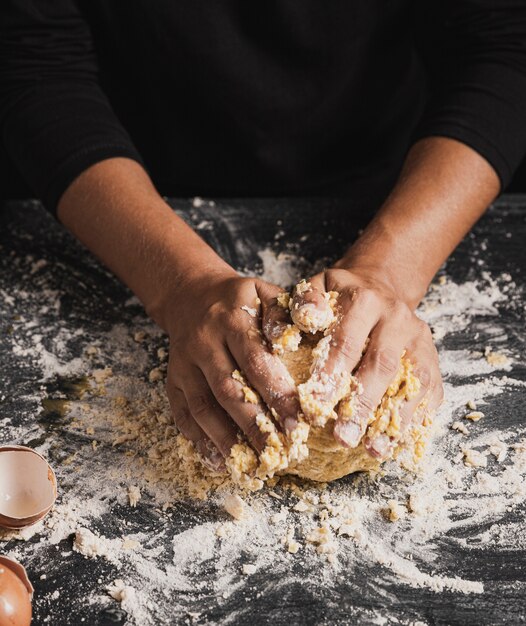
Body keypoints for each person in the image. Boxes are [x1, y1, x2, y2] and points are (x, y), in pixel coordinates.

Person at [1, 2, 526, 470]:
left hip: (396, 183)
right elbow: (34, 66)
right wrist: (181, 285)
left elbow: (504, 44)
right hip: (136, 185)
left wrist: (393, 267)